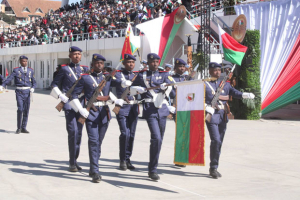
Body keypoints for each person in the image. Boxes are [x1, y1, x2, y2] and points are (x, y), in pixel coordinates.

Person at [70, 54, 115, 183]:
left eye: (101, 63)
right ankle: (95, 170)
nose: (99, 65)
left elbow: (121, 86)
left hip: (104, 114)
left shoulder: (108, 77)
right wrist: (81, 109)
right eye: (97, 63)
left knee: (98, 143)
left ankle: (93, 166)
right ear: (93, 64)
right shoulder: (85, 78)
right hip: (91, 113)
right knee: (93, 141)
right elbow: (74, 95)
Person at [205, 62, 255, 179]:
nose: (217, 72)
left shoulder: (225, 84)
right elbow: (196, 97)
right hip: (211, 116)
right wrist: (205, 106)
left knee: (219, 142)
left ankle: (214, 166)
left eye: (218, 70)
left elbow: (234, 93)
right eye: (215, 70)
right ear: (210, 71)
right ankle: (213, 167)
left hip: (222, 116)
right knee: (216, 140)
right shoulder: (205, 84)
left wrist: (245, 95)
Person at [131, 53, 174, 181]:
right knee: (156, 138)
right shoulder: (141, 75)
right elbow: (131, 89)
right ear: (148, 63)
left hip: (162, 109)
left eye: (157, 61)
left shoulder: (165, 75)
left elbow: (173, 90)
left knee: (159, 140)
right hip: (150, 109)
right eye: (152, 62)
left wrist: (165, 89)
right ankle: (152, 169)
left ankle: (153, 165)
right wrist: (137, 89)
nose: (155, 64)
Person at [50, 46, 89, 172]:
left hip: (82, 104)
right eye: (75, 54)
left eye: (79, 54)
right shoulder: (64, 69)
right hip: (69, 104)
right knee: (73, 132)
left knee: (79, 133)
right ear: (70, 55)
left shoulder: (85, 69)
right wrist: (60, 95)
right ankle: (72, 162)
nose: (77, 56)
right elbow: (54, 84)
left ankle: (75, 160)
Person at [112, 54, 139, 171]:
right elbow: (110, 84)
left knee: (131, 134)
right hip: (122, 107)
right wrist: (115, 99)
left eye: (133, 62)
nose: (131, 64)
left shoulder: (136, 76)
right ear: (124, 63)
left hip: (134, 107)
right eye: (128, 62)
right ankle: (122, 159)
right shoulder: (118, 74)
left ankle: (128, 159)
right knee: (125, 133)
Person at [0, 56, 36, 134]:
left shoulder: (30, 70)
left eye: (26, 61)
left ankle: (24, 127)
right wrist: (3, 85)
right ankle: (18, 127)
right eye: (23, 61)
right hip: (19, 91)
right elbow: (9, 78)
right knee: (20, 109)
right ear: (20, 62)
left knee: (26, 110)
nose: (25, 63)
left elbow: (34, 81)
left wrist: (33, 87)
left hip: (27, 92)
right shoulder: (16, 70)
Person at [169, 58, 193, 167]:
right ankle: (179, 159)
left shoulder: (187, 79)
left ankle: (183, 157)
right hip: (177, 108)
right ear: (175, 68)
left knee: (186, 134)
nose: (182, 68)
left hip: (187, 108)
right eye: (179, 67)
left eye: (183, 67)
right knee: (181, 133)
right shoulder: (170, 79)